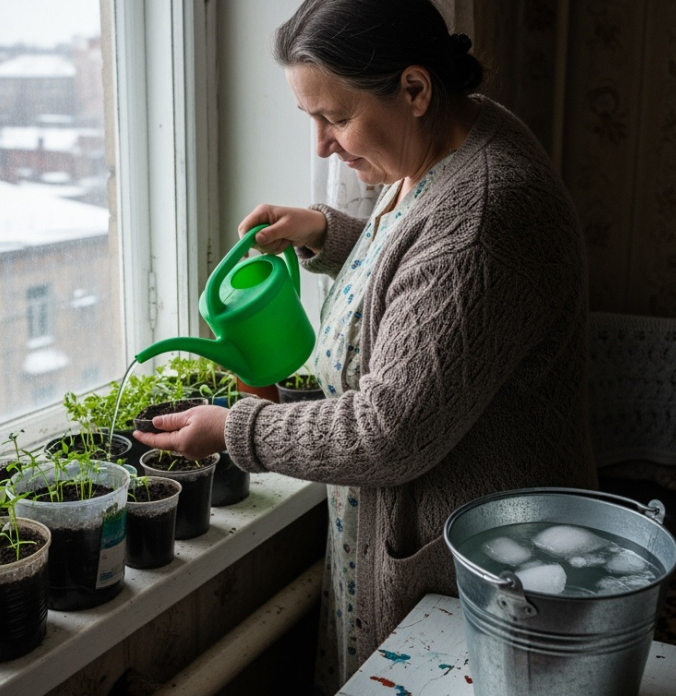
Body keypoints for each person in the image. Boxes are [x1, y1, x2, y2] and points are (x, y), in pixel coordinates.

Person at [133, 0, 597, 691]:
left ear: (414, 88)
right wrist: (328, 233)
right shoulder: (452, 137)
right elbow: (425, 285)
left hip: (490, 583)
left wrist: (237, 430)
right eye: (311, 118)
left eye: (337, 117)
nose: (322, 145)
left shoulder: (487, 214)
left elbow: (390, 431)